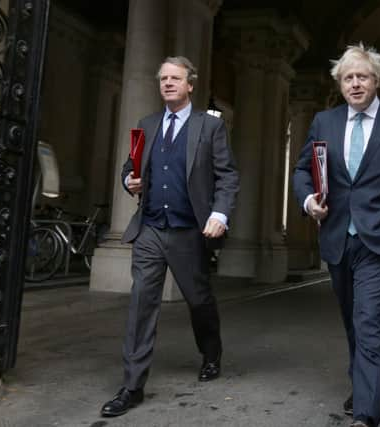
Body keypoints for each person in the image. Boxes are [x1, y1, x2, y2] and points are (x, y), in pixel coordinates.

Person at [293, 43, 380, 427]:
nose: (355, 84)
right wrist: (309, 203)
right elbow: (302, 171)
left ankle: (367, 416)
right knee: (352, 319)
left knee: (369, 319)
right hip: (338, 237)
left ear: (377, 80)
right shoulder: (324, 122)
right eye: (348, 78)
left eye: (363, 77)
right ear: (339, 83)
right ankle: (363, 382)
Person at [100, 56, 239, 417]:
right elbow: (130, 168)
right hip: (149, 229)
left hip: (188, 231)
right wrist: (128, 180)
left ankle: (211, 352)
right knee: (141, 303)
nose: (167, 83)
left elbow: (227, 176)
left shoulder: (209, 128)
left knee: (199, 299)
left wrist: (219, 214)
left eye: (175, 78)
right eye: (163, 78)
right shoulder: (146, 126)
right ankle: (132, 386)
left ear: (190, 84)